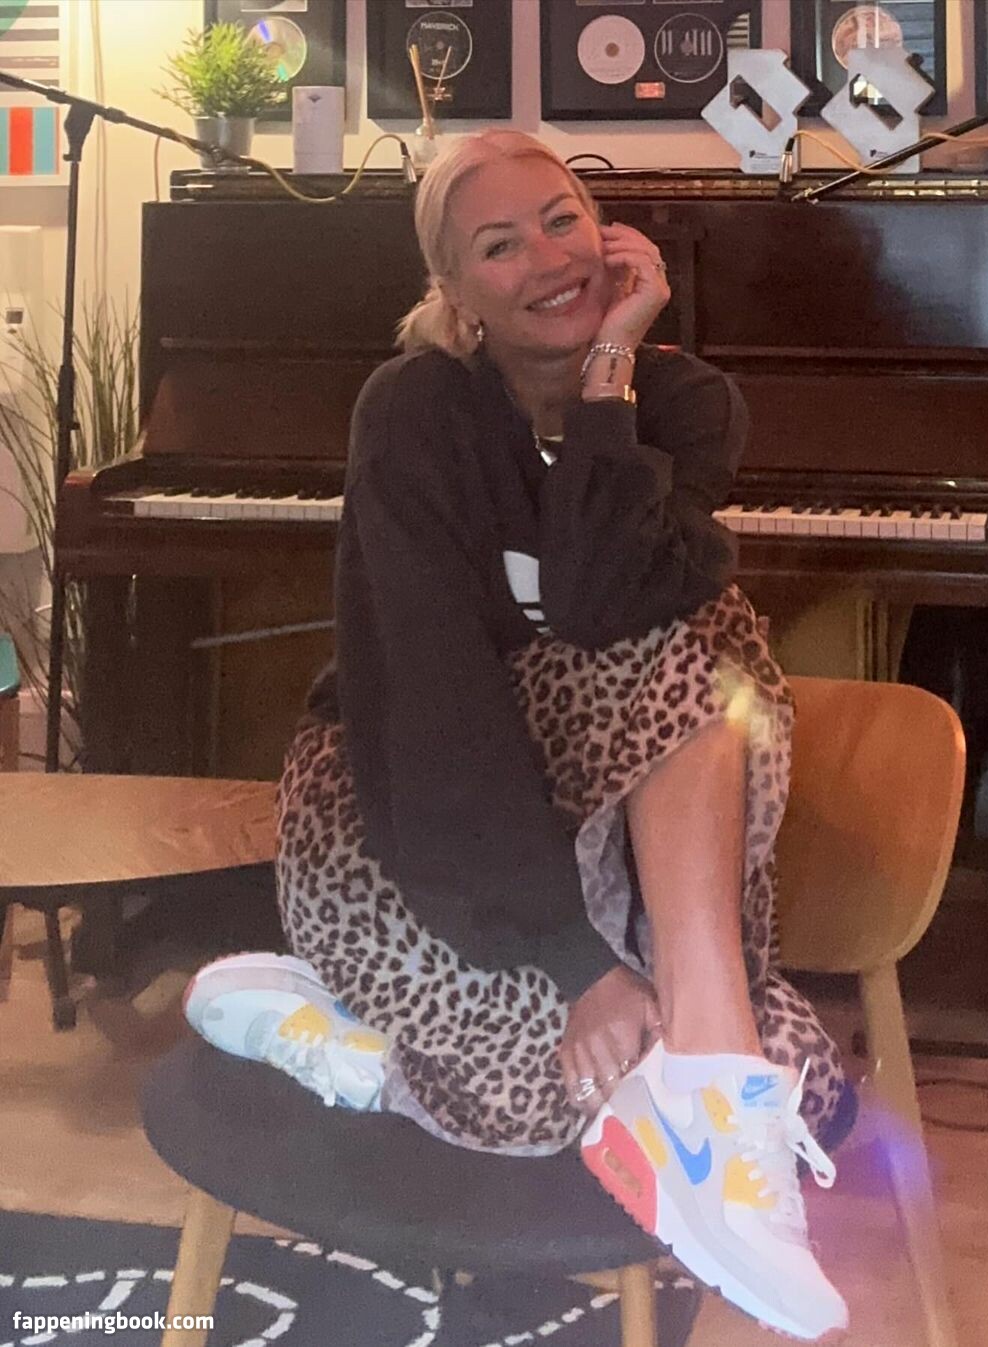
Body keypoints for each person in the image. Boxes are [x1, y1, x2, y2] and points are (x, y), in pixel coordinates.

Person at [185, 130, 851, 1341]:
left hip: (590, 811)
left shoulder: (685, 401)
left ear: (608, 232)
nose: (549, 259)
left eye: (562, 219)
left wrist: (610, 375)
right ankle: (365, 1036)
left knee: (692, 634)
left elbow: (600, 598)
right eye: (500, 246)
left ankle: (682, 1069)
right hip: (404, 817)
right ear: (454, 291)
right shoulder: (416, 410)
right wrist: (575, 960)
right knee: (692, 637)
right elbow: (432, 695)